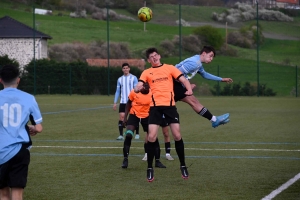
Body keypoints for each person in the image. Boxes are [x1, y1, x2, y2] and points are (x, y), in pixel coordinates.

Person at [134, 47, 192, 182]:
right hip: (155, 108)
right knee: (152, 137)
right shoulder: (147, 72)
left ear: (159, 56)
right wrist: (137, 88)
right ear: (149, 60)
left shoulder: (170, 68)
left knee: (177, 135)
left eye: (156, 55)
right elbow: (139, 84)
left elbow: (183, 79)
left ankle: (183, 165)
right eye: (151, 57)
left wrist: (189, 89)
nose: (154, 58)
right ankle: (149, 168)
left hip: (170, 107)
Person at [0, 64, 43, 200]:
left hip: (1, 151)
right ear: (18, 80)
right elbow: (39, 127)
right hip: (20, 150)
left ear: (0, 80)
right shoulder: (29, 98)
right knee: (17, 193)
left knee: (3, 193)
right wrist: (33, 128)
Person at [174, 46, 233, 128]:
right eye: (210, 56)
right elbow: (175, 73)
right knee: (193, 102)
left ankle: (214, 120)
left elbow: (204, 74)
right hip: (172, 84)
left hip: (177, 84)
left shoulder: (198, 63)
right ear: (204, 53)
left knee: (194, 102)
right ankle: (214, 120)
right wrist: (187, 85)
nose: (211, 59)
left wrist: (221, 79)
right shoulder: (194, 63)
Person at [121, 82, 166, 169]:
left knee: (153, 137)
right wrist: (125, 117)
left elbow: (157, 106)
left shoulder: (152, 93)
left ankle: (157, 161)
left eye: (146, 87)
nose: (144, 88)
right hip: (134, 115)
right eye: (143, 87)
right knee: (129, 135)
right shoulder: (134, 92)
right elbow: (128, 104)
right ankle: (125, 159)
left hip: (147, 116)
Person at [113, 63, 139, 140]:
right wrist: (115, 102)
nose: (125, 69)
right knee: (121, 117)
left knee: (134, 117)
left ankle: (137, 133)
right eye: (124, 68)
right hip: (123, 101)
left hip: (132, 101)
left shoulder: (134, 78)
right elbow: (117, 91)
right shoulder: (120, 79)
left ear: (129, 69)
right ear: (122, 69)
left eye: (127, 68)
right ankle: (121, 135)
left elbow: (137, 90)